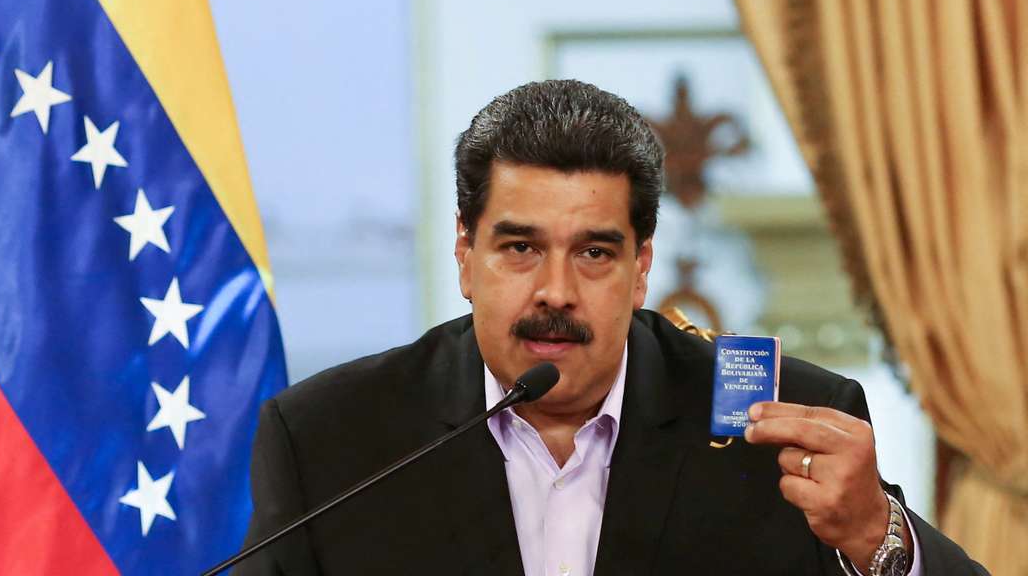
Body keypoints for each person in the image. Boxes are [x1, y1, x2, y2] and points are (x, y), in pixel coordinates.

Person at [241, 80, 986, 575]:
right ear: (466, 255)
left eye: (594, 253)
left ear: (641, 269)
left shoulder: (785, 425)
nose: (556, 292)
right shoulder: (332, 440)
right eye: (521, 248)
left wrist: (874, 536)